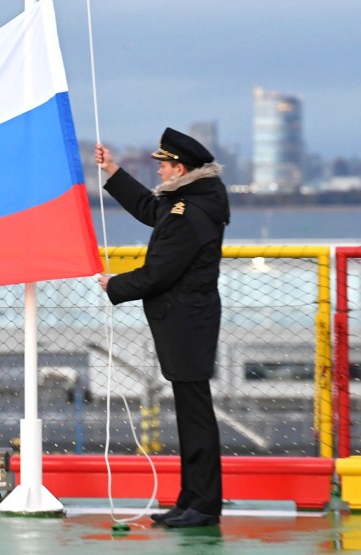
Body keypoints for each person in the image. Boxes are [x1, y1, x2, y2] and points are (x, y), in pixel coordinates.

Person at [94, 128, 230, 528]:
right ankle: (192, 500)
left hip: (187, 323)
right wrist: (113, 170)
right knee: (193, 413)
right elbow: (153, 211)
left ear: (181, 168)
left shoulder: (190, 213)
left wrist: (114, 284)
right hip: (189, 321)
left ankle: (203, 506)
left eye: (164, 167)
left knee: (196, 416)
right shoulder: (191, 202)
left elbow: (158, 274)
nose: (160, 174)